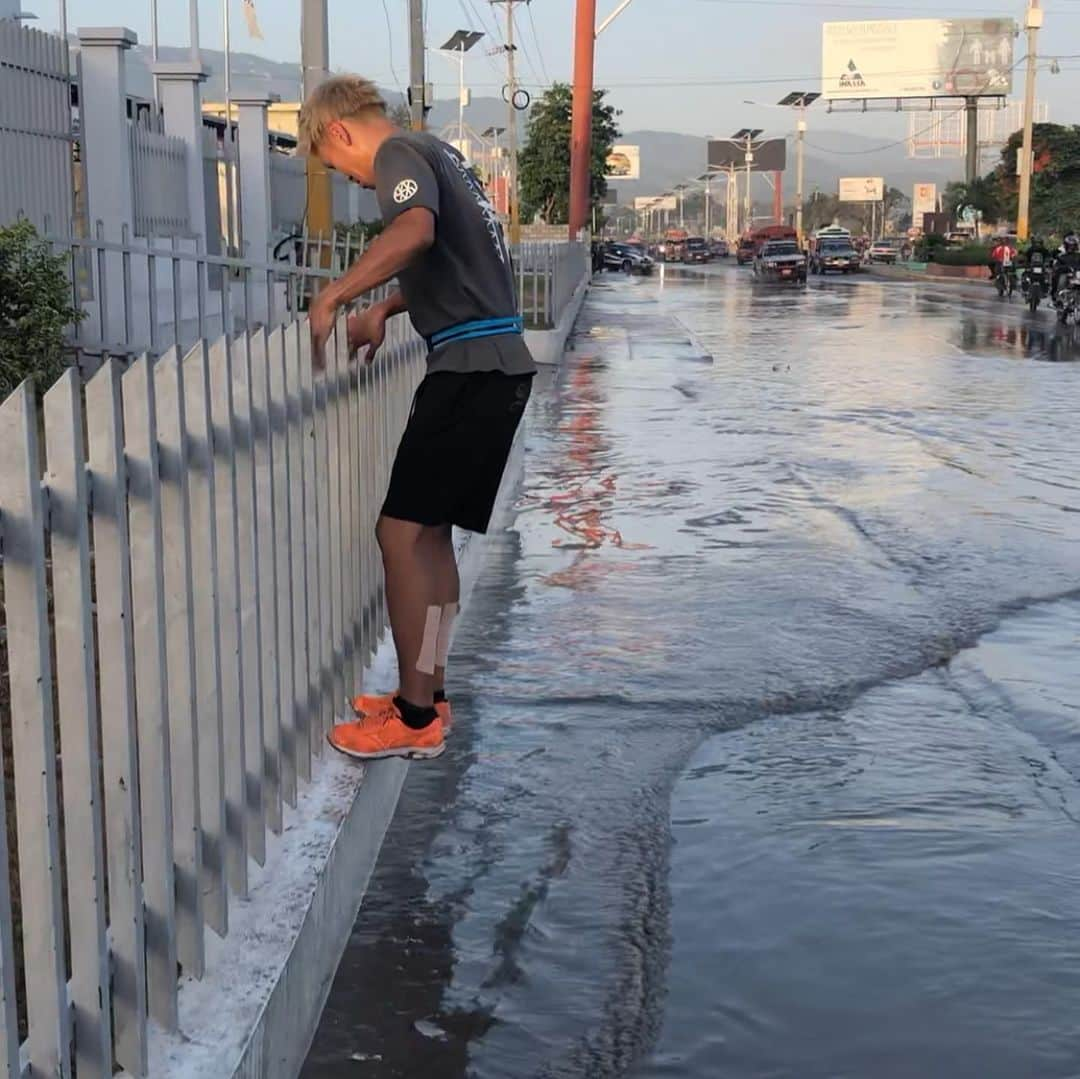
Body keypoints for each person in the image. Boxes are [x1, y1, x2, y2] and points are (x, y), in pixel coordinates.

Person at [299, 76, 536, 761]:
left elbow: (414, 231)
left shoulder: (398, 154)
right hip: (494, 362)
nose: (344, 175)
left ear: (339, 133)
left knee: (399, 535)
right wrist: (383, 310)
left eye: (331, 163)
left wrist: (337, 296)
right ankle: (428, 692)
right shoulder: (439, 154)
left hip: (469, 369)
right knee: (430, 540)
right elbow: (454, 259)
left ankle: (410, 716)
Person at [1053, 232, 1080, 300]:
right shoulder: (1061, 255)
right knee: (1058, 278)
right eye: (1070, 246)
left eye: (1073, 246)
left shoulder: (1078, 256)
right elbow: (1056, 265)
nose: (1071, 247)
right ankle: (1057, 296)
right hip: (1065, 275)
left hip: (1077, 276)